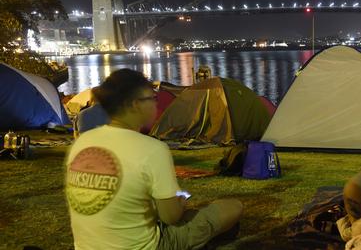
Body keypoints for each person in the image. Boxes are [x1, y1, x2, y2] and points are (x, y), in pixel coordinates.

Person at [65, 69, 242, 249]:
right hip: (148, 246)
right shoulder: (152, 149)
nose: (155, 105)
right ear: (135, 105)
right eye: (151, 99)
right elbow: (170, 217)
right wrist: (179, 203)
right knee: (232, 207)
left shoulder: (81, 144)